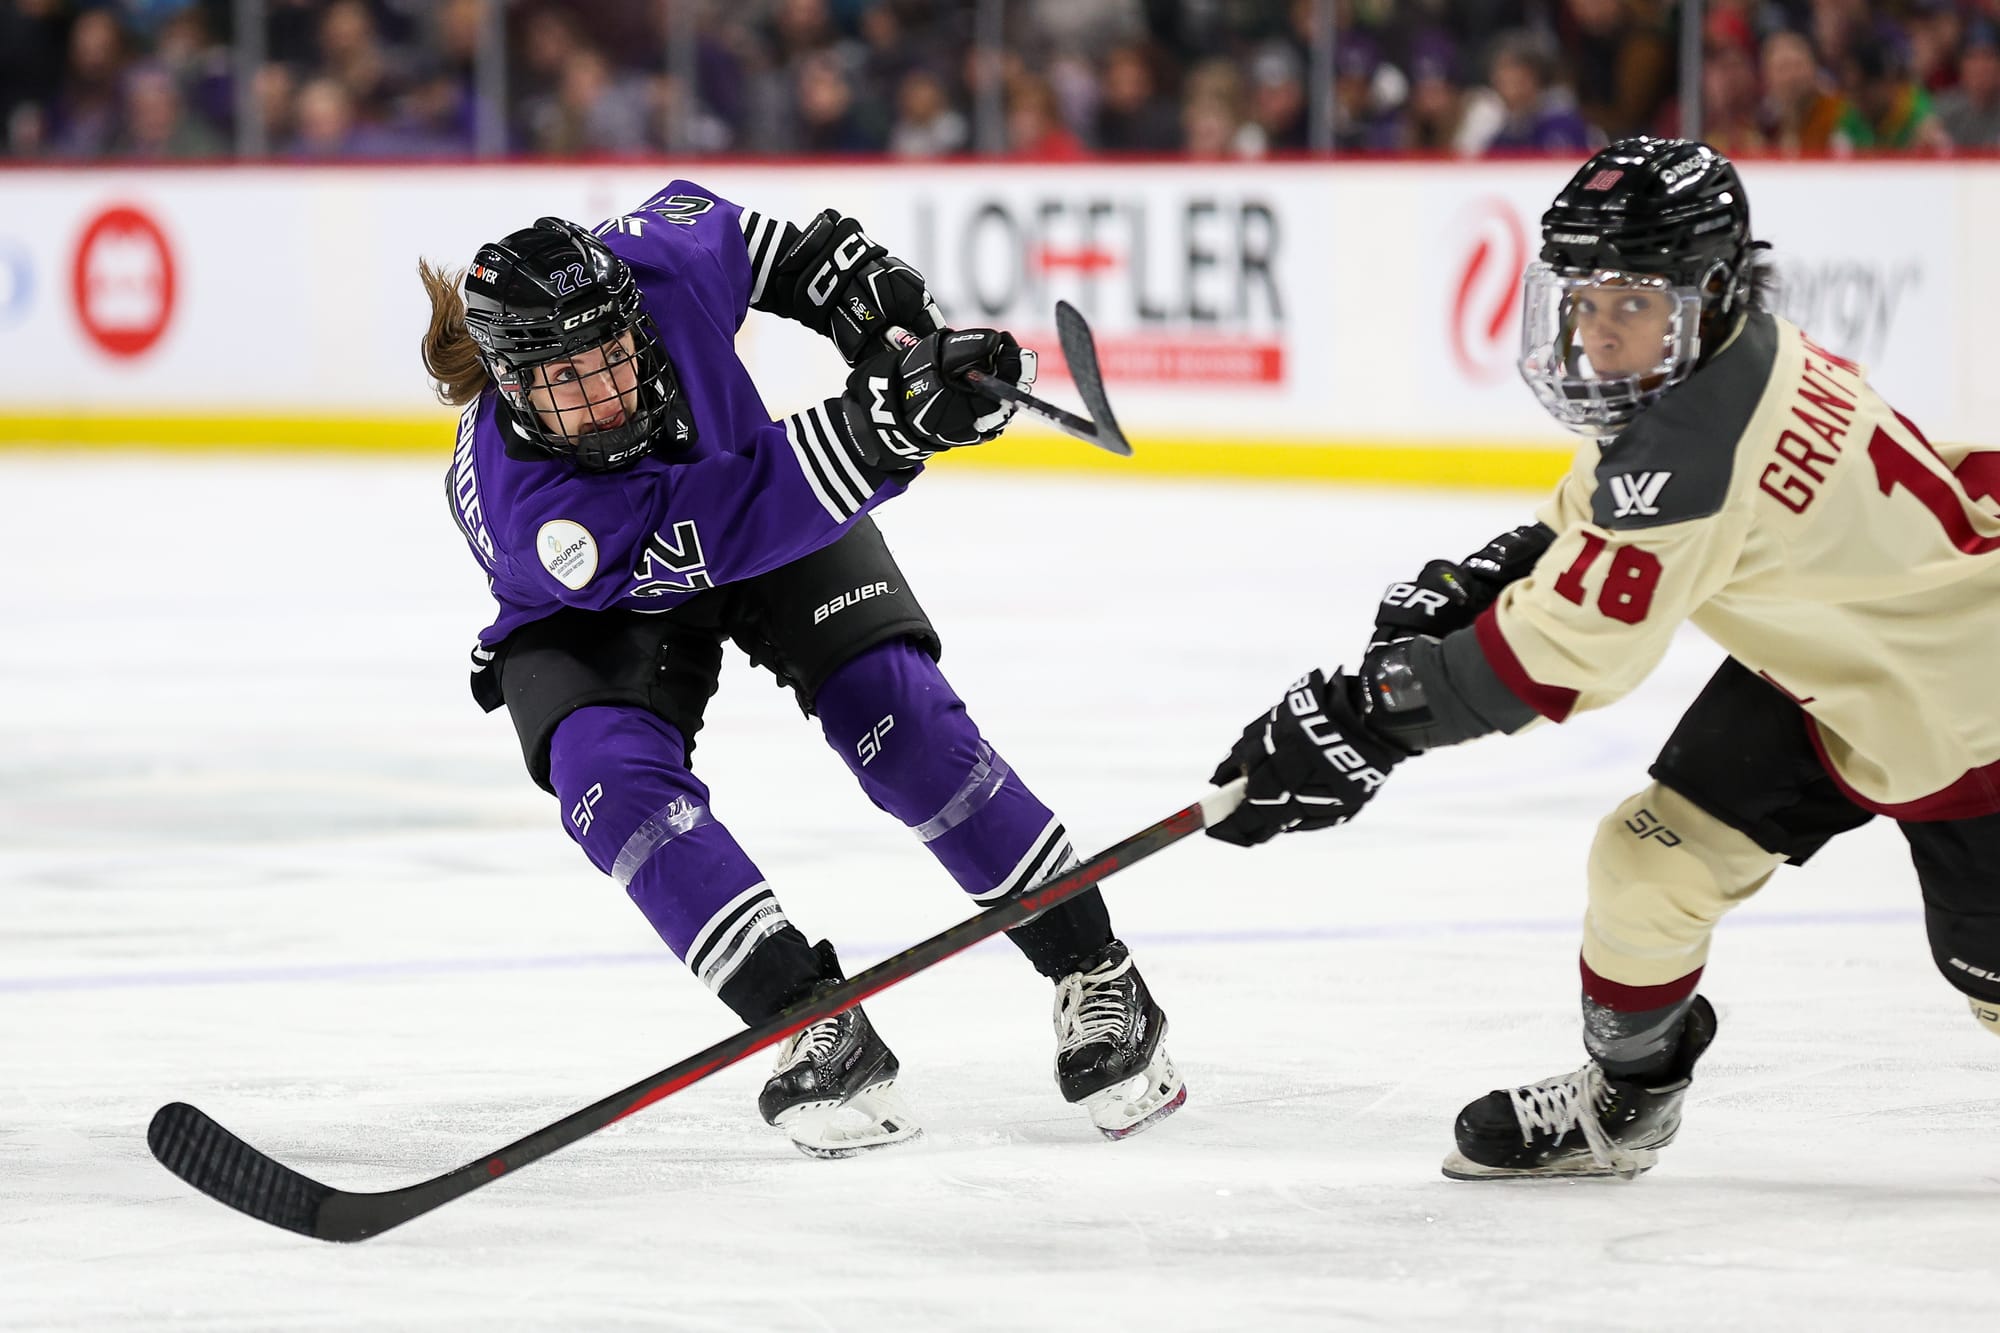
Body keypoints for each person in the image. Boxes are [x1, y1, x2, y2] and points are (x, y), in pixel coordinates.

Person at [1204, 137, 2000, 1180]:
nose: (1594, 330)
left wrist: (1358, 721)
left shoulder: (1698, 448)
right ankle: (1628, 1102)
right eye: (1581, 299)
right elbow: (1599, 520)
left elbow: (1557, 657)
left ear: (1704, 289)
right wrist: (1487, 573)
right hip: (1836, 673)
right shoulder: (1729, 352)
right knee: (1645, 866)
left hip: (1962, 713)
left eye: (1628, 301)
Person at [417, 183, 1185, 1158]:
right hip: (604, 601)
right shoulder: (533, 513)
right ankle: (808, 1017)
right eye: (570, 380)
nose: (605, 393)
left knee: (903, 726)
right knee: (609, 785)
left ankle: (1096, 971)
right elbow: (736, 514)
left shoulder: (657, 264)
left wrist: (870, 307)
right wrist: (889, 426)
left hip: (751, 497)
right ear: (512, 384)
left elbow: (773, 247)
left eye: (612, 358)